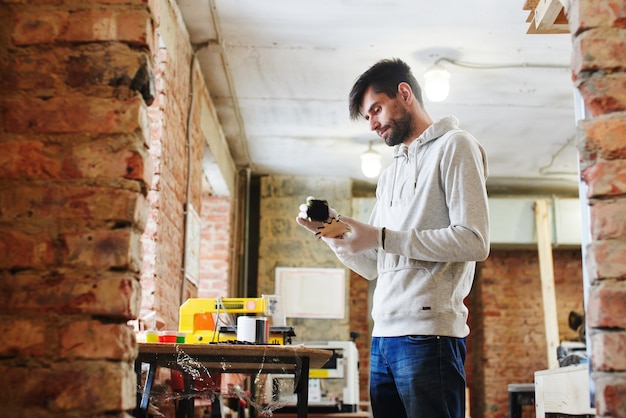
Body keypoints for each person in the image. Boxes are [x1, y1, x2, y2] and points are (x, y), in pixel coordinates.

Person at [296, 58, 490, 418]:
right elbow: (373, 263)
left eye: (376, 110)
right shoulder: (389, 175)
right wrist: (331, 235)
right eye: (368, 117)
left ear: (405, 94)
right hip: (383, 335)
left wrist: (381, 237)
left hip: (429, 334)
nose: (372, 124)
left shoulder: (456, 146)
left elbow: (474, 241)